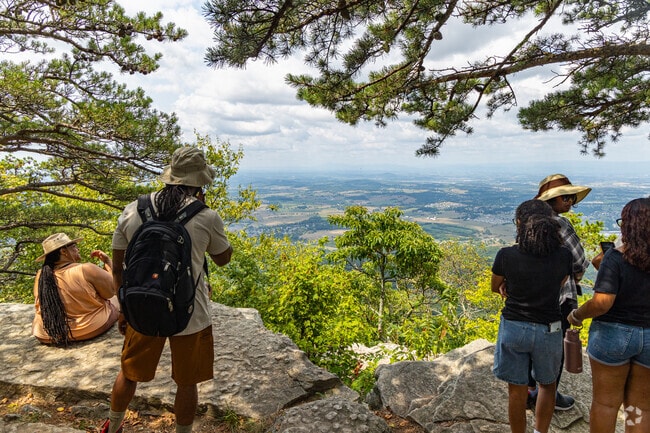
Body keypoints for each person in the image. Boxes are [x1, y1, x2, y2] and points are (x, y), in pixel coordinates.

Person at [101, 147, 233, 433]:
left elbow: (117, 268)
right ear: (199, 183)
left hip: (142, 306)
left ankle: (112, 427)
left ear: (170, 177)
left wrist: (125, 309)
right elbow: (223, 259)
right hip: (191, 314)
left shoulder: (133, 210)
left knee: (129, 373)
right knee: (187, 382)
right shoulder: (206, 216)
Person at [567, 197, 650, 433]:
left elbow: (602, 303)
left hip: (613, 335)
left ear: (629, 226)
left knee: (606, 403)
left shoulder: (615, 258)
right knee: (641, 407)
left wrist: (577, 315)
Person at [492, 199, 573, 433]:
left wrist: (508, 284)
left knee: (516, 389)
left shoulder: (506, 255)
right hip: (549, 327)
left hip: (514, 326)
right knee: (547, 385)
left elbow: (494, 285)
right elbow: (561, 283)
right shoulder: (564, 256)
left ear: (519, 224)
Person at [528, 173, 591, 410]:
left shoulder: (527, 222)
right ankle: (549, 397)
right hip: (560, 297)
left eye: (572, 197)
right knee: (555, 347)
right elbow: (579, 260)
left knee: (533, 343)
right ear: (550, 201)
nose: (570, 201)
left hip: (531, 295)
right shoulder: (560, 224)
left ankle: (529, 390)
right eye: (564, 197)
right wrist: (575, 273)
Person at [32, 233, 118, 346]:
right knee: (117, 298)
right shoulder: (86, 269)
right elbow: (112, 290)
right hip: (88, 328)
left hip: (47, 334)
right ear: (63, 251)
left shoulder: (41, 276)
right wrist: (108, 262)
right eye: (73, 245)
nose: (77, 248)